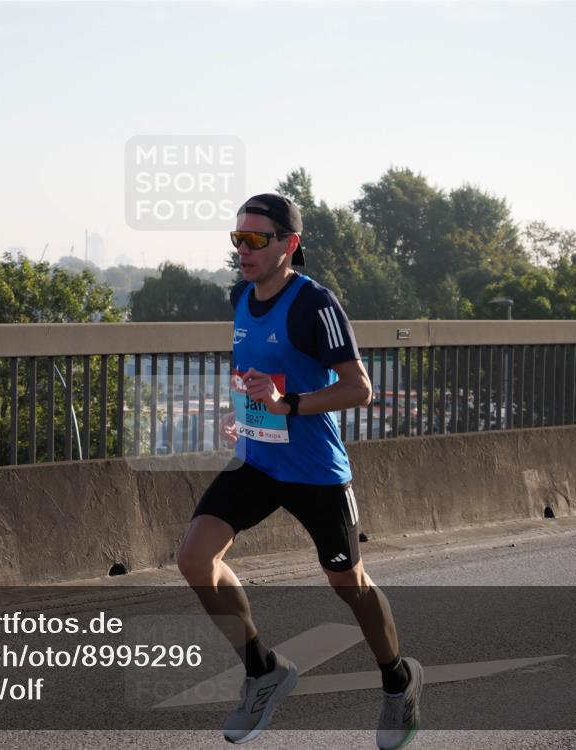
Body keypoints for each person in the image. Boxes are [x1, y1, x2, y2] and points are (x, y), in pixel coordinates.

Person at [176, 193, 423, 748]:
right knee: (195, 558)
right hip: (261, 460)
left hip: (314, 470)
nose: (243, 249)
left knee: (348, 585)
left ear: (290, 245)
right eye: (238, 238)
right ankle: (263, 671)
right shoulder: (242, 298)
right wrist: (241, 411)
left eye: (256, 239)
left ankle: (397, 681)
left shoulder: (315, 304)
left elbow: (360, 389)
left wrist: (289, 406)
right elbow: (256, 374)